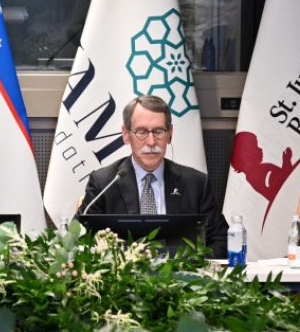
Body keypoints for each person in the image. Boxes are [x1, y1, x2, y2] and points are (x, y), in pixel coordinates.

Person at [75, 95, 228, 256]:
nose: (151, 142)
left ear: (170, 134)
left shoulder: (195, 183)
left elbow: (221, 240)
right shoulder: (103, 183)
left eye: (158, 131)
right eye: (141, 132)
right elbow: (78, 240)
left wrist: (192, 264)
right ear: (126, 134)